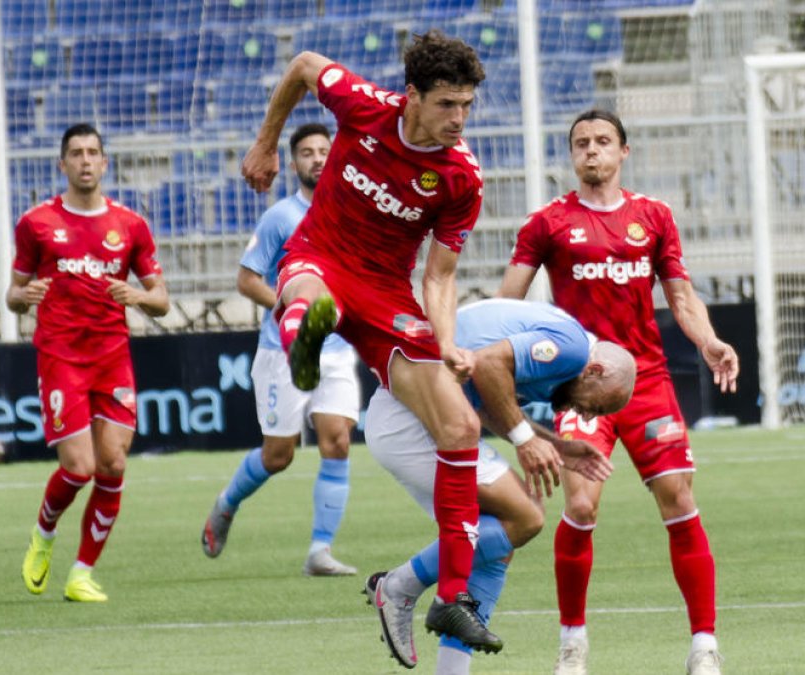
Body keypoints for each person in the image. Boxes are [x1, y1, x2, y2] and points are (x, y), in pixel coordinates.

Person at [242, 31, 494, 647]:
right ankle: (305, 337)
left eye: (466, 106)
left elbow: (439, 276)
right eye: (446, 105)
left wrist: (447, 342)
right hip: (321, 254)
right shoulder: (363, 104)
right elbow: (303, 64)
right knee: (306, 289)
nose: (458, 120)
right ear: (411, 96)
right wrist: (266, 142)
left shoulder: (460, 177)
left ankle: (453, 597)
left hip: (385, 293)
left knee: (460, 427)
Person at [498, 109, 739, 675]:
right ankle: (573, 645)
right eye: (581, 143)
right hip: (579, 386)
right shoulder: (547, 223)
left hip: (647, 382)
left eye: (602, 141)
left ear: (623, 152)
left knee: (678, 500)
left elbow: (681, 297)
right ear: (572, 154)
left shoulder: (653, 216)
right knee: (580, 503)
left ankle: (704, 646)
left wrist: (707, 340)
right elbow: (509, 303)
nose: (591, 151)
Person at [364, 298, 635, 673]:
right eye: (597, 406)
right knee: (525, 517)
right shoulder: (571, 350)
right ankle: (398, 586)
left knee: (500, 546)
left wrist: (556, 445)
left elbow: (488, 395)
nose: (586, 415)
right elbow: (489, 364)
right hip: (411, 421)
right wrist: (525, 440)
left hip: (424, 417)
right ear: (596, 370)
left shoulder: (564, 343)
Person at [11, 123, 169, 603]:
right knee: (78, 468)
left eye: (92, 153)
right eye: (75, 153)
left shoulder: (129, 225)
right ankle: (44, 535)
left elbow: (161, 299)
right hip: (61, 357)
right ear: (62, 165)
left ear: (104, 163)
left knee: (113, 463)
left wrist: (138, 297)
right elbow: (13, 296)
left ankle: (81, 573)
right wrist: (26, 295)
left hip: (112, 358)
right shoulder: (36, 223)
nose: (84, 160)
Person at [201, 123, 362, 576]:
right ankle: (227, 503)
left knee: (338, 440)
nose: (316, 158)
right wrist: (293, 307)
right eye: (306, 152)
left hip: (335, 350)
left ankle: (320, 551)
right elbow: (247, 279)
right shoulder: (280, 218)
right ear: (292, 164)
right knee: (279, 454)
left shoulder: (350, 213)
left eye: (323, 151)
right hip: (282, 352)